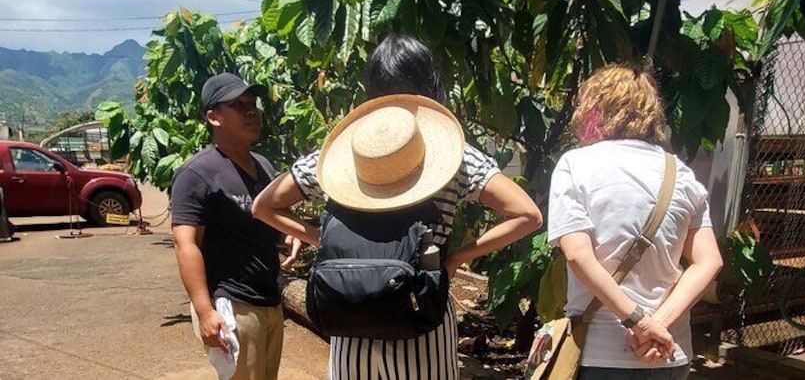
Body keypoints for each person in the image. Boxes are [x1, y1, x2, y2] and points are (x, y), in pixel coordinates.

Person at [251, 34, 543, 380]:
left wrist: (323, 241)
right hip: (421, 314)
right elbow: (528, 215)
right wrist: (454, 260)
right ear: (429, 85)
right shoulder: (454, 156)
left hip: (351, 315)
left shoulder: (347, 155)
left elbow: (264, 207)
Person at [547, 64, 723, 380]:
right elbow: (709, 261)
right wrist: (658, 324)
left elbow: (577, 254)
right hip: (669, 352)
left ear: (593, 109)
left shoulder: (576, 164)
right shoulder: (680, 173)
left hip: (598, 354)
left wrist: (639, 322)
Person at [171, 73, 291, 380]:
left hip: (270, 300)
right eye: (238, 105)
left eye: (253, 103)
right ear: (213, 117)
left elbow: (273, 220)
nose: (251, 111)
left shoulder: (264, 166)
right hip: (233, 304)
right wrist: (204, 311)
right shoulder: (197, 174)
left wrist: (289, 235)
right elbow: (186, 243)